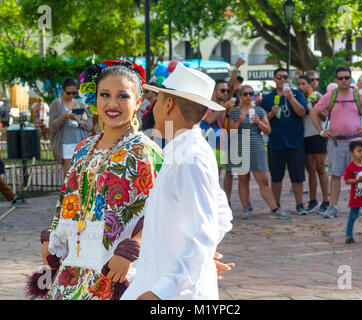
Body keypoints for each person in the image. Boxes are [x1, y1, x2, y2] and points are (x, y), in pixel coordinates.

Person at [37, 60, 163, 300]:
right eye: (105, 94)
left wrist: (131, 248)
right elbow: (67, 198)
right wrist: (53, 237)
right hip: (73, 267)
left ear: (138, 102)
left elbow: (162, 209)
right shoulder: (83, 147)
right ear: (95, 99)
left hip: (116, 270)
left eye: (123, 96)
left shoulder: (144, 151)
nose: (112, 104)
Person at [121, 63, 233, 300]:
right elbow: (220, 216)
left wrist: (161, 290)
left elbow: (203, 232)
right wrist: (198, 257)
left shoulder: (190, 157)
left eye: (159, 99)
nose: (155, 106)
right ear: (204, 113)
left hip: (173, 294)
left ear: (168, 104)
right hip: (158, 282)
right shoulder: (184, 151)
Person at [310, 66, 362, 219]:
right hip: (336, 142)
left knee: (359, 174)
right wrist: (321, 131)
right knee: (335, 175)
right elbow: (314, 112)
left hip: (356, 141)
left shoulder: (358, 95)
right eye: (341, 78)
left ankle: (360, 205)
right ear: (336, 80)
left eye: (346, 78)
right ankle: (333, 206)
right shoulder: (331, 95)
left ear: (351, 79)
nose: (344, 81)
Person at [228, 85, 289, 219]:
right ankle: (246, 209)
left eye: (251, 93)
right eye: (245, 94)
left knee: (263, 180)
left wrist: (259, 122)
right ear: (240, 96)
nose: (248, 96)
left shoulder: (259, 111)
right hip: (240, 144)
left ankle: (275, 209)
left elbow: (268, 130)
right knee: (243, 179)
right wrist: (239, 120)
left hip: (256, 145)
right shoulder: (234, 112)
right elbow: (231, 132)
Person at [260, 67, 308, 215]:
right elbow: (261, 121)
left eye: (285, 77)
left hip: (295, 141)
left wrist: (291, 98)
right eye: (279, 77)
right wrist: (271, 114)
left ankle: (299, 204)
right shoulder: (268, 98)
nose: (282, 80)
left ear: (289, 79)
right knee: (276, 177)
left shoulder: (297, 94)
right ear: (274, 80)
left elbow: (302, 112)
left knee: (297, 176)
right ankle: (276, 205)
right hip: (276, 142)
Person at [297, 75, 330, 214]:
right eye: (298, 84)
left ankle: (326, 201)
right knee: (310, 169)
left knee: (320, 168)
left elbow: (324, 116)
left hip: (318, 134)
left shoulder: (317, 95)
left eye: (303, 83)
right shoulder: (297, 97)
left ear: (309, 84)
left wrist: (316, 105)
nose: (301, 86)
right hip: (304, 136)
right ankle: (312, 200)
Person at [49, 77, 93, 177]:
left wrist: (78, 121)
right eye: (69, 93)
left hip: (80, 142)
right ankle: (68, 193)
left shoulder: (80, 104)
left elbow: (89, 125)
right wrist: (63, 117)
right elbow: (52, 127)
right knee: (69, 175)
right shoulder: (56, 104)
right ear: (62, 90)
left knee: (81, 173)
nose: (71, 95)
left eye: (74, 93)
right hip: (65, 143)